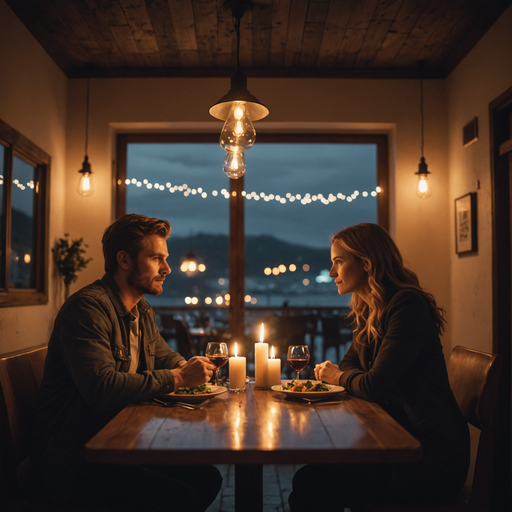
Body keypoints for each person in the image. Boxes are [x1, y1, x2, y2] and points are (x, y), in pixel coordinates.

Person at [32, 214, 222, 512]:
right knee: (180, 497)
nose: (167, 268)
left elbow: (164, 357)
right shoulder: (87, 309)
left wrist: (188, 367)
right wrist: (179, 378)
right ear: (125, 260)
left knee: (207, 476)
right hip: (74, 462)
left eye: (166, 258)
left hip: (120, 443)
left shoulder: (141, 310)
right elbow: (101, 388)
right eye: (156, 258)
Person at [289, 223, 470, 511]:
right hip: (397, 440)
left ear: (366, 263)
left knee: (312, 483)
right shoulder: (370, 308)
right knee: (311, 478)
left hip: (429, 457)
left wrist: (339, 376)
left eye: (338, 261)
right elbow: (353, 365)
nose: (332, 272)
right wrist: (352, 376)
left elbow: (373, 386)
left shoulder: (406, 305)